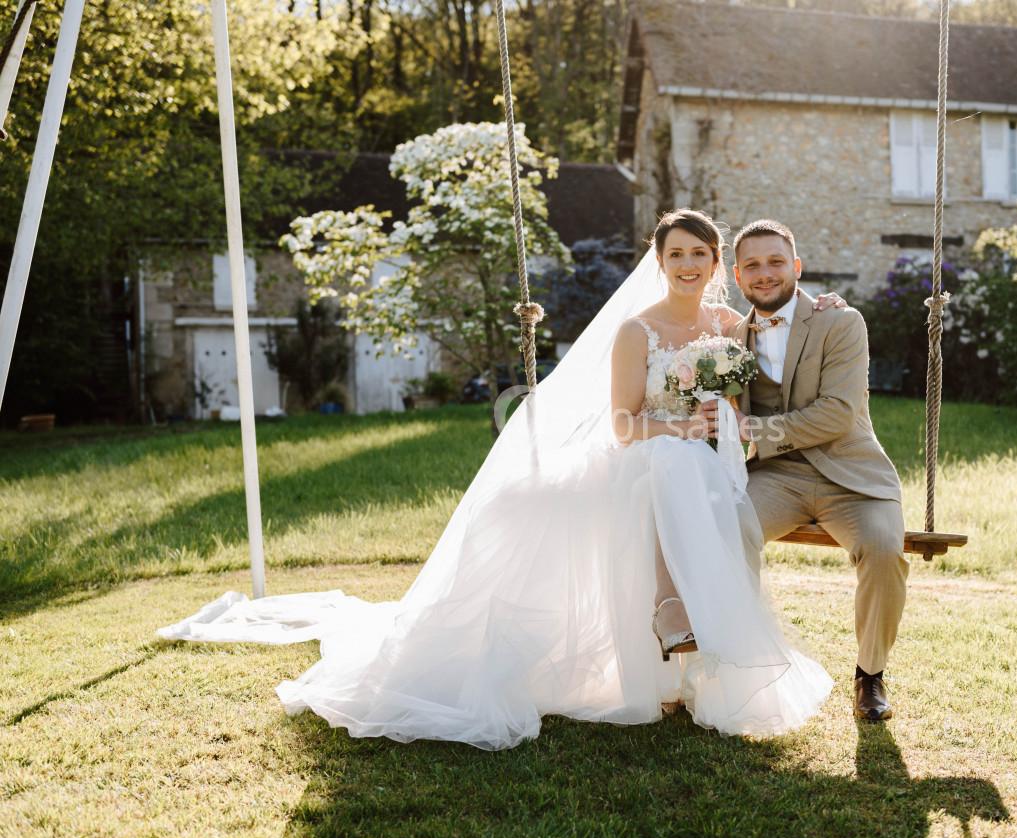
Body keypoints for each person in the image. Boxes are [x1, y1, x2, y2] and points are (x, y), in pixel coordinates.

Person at [159, 209, 839, 750]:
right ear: (658, 264)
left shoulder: (730, 327)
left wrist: (819, 314)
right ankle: (677, 623)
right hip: (647, 454)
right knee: (668, 462)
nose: (690, 266)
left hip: (712, 461)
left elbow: (758, 379)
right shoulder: (637, 330)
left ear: (717, 263)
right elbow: (624, 424)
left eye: (700, 254)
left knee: (689, 469)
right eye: (676, 255)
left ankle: (688, 639)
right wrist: (682, 429)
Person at [696, 219, 908, 722]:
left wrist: (751, 431)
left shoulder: (841, 321)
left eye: (775, 263)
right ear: (737, 274)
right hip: (777, 475)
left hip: (851, 474)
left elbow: (838, 412)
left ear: (795, 267)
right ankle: (739, 659)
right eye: (752, 265)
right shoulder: (729, 336)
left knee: (883, 550)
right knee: (724, 523)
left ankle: (870, 675)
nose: (764, 274)